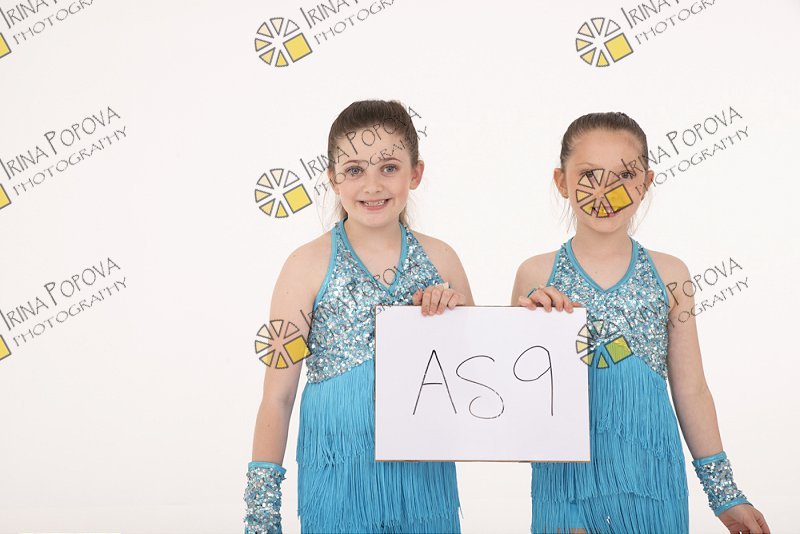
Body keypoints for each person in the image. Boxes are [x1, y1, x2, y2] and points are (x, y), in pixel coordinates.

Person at [511, 112, 770, 533]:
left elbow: (691, 389)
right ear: (561, 181)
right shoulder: (535, 274)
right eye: (589, 175)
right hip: (567, 485)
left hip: (652, 480)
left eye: (625, 175)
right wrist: (536, 329)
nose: (605, 191)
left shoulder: (671, 275)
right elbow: (518, 402)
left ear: (646, 183)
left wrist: (724, 493)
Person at [244, 99, 473, 533]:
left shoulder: (442, 260)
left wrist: (450, 317)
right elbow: (278, 396)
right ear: (333, 178)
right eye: (354, 170)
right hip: (336, 477)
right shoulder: (304, 266)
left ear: (415, 173)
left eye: (389, 167)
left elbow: (477, 384)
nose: (372, 185)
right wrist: (261, 512)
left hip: (423, 483)